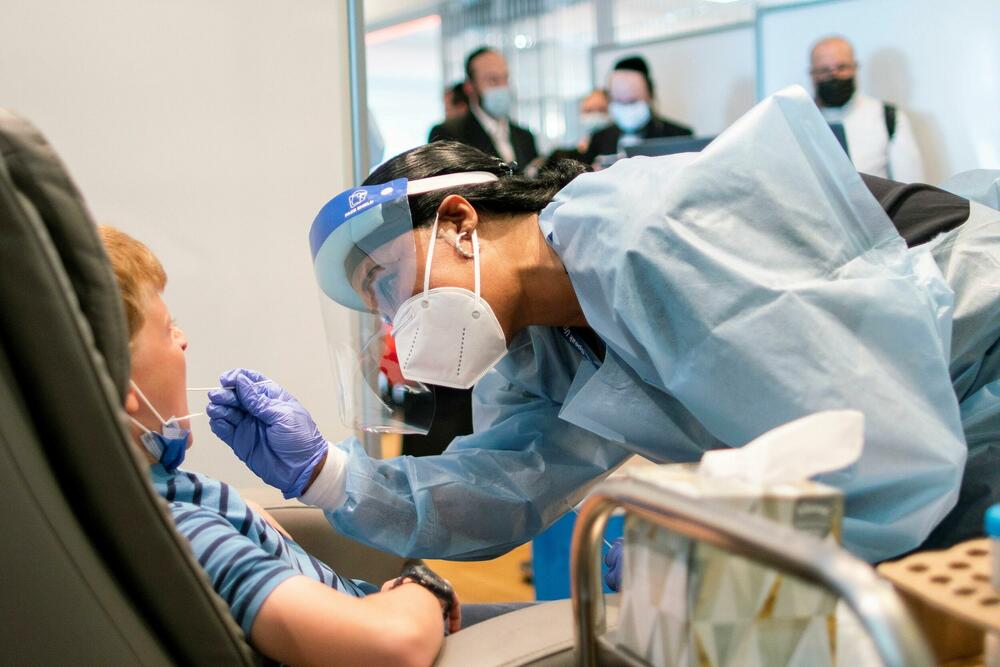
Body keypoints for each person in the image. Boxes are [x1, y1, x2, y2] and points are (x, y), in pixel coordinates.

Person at [209, 87, 1000, 591]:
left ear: (457, 223)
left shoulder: (643, 235)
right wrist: (326, 476)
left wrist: (713, 563)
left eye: (383, 278)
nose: (390, 319)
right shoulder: (540, 345)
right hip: (930, 427)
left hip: (974, 367)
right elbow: (508, 485)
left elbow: (886, 449)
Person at [98, 225, 463, 666]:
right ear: (118, 384)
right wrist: (421, 586)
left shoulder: (172, 492)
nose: (183, 339)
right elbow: (394, 647)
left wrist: (307, 477)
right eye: (166, 328)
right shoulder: (180, 530)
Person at [810, 35, 925, 182]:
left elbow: (911, 186)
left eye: (842, 67)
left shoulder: (887, 117)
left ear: (855, 68)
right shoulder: (797, 123)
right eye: (824, 70)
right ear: (812, 75)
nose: (834, 76)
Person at [428, 47, 538, 171]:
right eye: (493, 80)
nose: (503, 87)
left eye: (505, 78)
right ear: (470, 87)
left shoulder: (525, 137)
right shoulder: (448, 135)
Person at [583, 55, 692, 164]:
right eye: (619, 102)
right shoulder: (598, 139)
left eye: (632, 101)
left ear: (650, 95)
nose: (626, 109)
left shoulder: (678, 136)